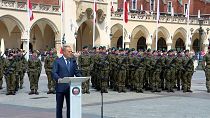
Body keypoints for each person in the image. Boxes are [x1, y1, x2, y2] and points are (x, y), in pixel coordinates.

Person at [52, 44, 82, 118]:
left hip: (70, 88)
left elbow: (77, 72)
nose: (71, 53)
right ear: (64, 52)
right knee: (59, 107)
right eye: (69, 51)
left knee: (70, 107)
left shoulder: (73, 61)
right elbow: (54, 72)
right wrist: (58, 78)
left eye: (71, 51)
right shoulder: (58, 61)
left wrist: (81, 78)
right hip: (60, 88)